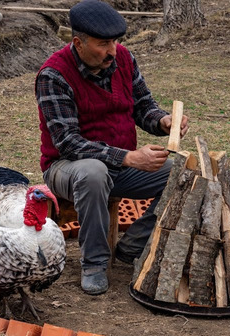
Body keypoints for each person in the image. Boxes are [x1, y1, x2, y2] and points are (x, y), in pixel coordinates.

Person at [35, 0, 189, 295]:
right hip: (67, 168)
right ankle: (93, 261)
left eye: (116, 42)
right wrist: (129, 157)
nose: (113, 51)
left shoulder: (124, 60)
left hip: (121, 166)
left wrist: (163, 122)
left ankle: (133, 244)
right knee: (93, 173)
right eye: (103, 43)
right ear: (78, 43)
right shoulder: (53, 75)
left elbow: (143, 107)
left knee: (183, 171)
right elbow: (68, 142)